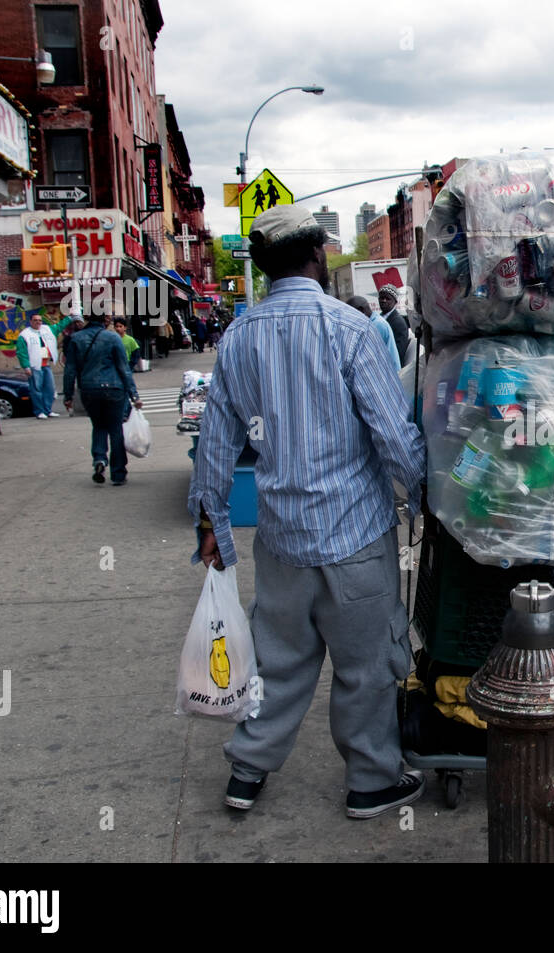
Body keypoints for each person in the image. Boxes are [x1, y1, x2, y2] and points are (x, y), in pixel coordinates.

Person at [189, 204, 426, 819]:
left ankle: (247, 771)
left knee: (281, 663)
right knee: (367, 667)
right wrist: (425, 495)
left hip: (282, 543)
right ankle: (371, 782)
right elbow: (393, 436)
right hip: (355, 541)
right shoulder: (348, 330)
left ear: (264, 267)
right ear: (319, 255)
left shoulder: (238, 338)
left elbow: (215, 444)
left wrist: (211, 524)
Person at [63, 312, 142, 485]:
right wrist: (133, 394)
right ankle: (118, 473)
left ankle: (99, 459)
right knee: (115, 429)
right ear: (105, 321)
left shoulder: (76, 339)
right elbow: (123, 367)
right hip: (114, 388)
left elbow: (69, 370)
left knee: (98, 426)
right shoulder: (113, 338)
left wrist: (68, 395)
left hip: (89, 389)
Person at [17, 313, 74, 418]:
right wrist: (26, 366)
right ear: (30, 322)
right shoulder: (24, 335)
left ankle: (48, 410)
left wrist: (70, 318)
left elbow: (59, 326)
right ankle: (39, 411)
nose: (38, 322)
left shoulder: (46, 330)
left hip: (46, 364)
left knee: (50, 389)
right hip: (34, 366)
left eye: (40, 320)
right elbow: (22, 352)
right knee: (36, 390)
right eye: (35, 320)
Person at [346, 295, 401, 373]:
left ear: (361, 311)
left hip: (388, 374)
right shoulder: (373, 321)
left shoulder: (377, 325)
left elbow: (368, 358)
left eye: (351, 314)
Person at [376, 285, 412, 367]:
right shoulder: (380, 318)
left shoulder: (398, 323)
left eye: (388, 299)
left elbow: (399, 352)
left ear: (395, 302)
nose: (384, 301)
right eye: (381, 298)